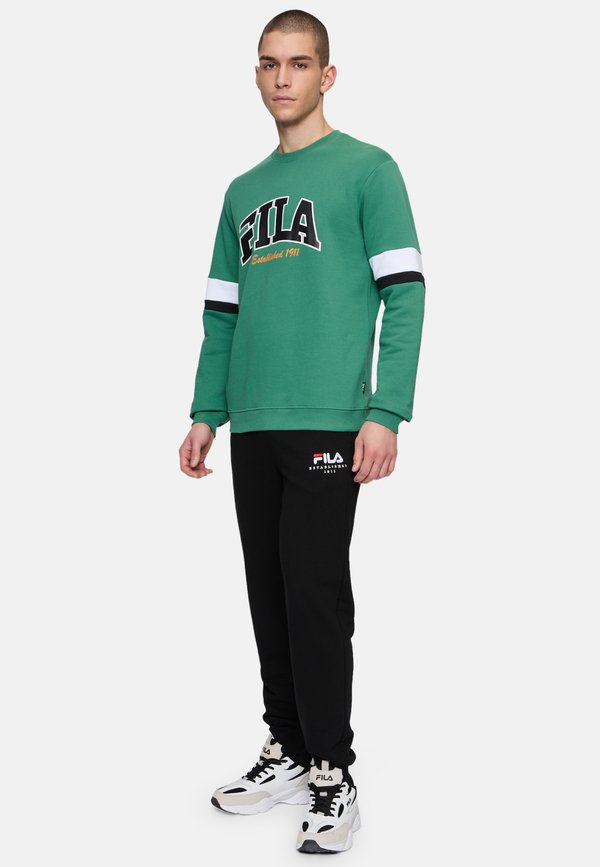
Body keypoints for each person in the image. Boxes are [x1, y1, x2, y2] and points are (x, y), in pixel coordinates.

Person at [179, 9, 426, 855]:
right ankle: (286, 746)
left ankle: (332, 770)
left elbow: (405, 294)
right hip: (254, 421)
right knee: (268, 590)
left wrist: (385, 409)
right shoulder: (241, 192)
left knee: (315, 595)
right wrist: (207, 410)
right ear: (256, 75)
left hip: (328, 419)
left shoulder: (369, 170)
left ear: (327, 75)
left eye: (297, 63)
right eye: (268, 64)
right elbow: (221, 314)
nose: (281, 78)